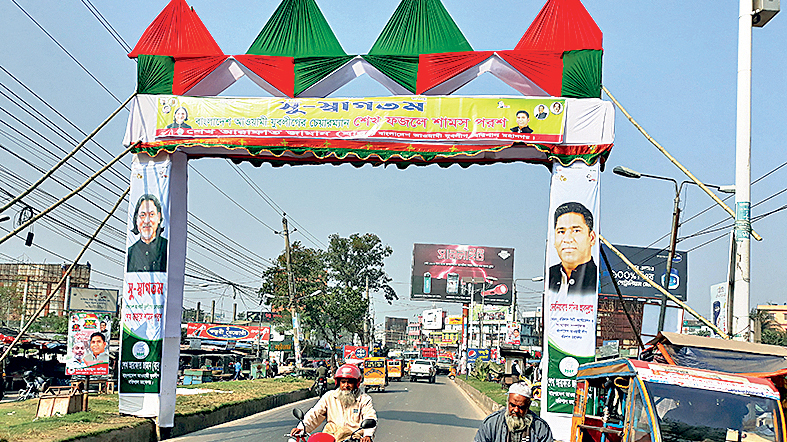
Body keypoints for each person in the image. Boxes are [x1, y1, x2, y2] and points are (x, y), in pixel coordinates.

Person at [291, 363, 377, 442]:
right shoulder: (329, 396)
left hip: (353, 437)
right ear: (338, 382)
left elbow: (369, 416)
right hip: (330, 436)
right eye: (343, 382)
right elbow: (315, 414)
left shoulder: (364, 399)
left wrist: (367, 435)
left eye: (349, 382)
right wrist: (301, 428)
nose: (346, 385)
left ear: (356, 383)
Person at [474, 381, 553, 442]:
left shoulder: (540, 427)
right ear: (507, 402)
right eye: (512, 405)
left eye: (521, 407)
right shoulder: (492, 423)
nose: (516, 410)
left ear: (528, 406)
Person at [548, 201, 597, 295]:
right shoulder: (550, 276)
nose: (567, 239)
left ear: (591, 238)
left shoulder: (599, 279)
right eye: (561, 232)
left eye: (576, 230)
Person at [127, 194, 168, 273]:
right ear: (136, 219)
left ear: (159, 217)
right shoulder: (131, 253)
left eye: (151, 214)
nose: (146, 221)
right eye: (142, 215)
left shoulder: (167, 248)